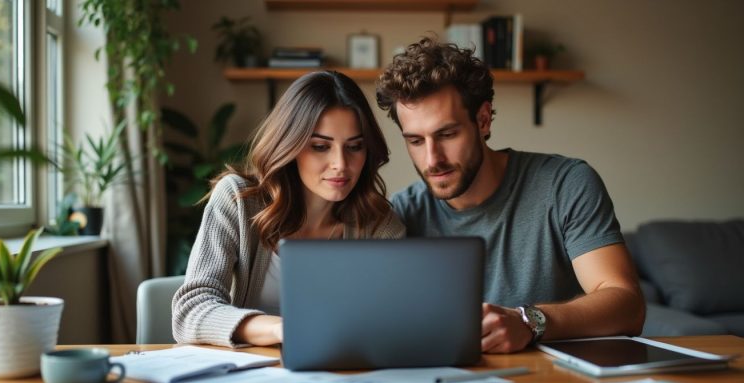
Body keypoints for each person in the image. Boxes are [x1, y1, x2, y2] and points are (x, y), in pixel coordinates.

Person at [375, 37, 644, 354]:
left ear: (483, 119)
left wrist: (530, 322)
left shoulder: (565, 184)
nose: (432, 159)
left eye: (446, 135)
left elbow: (627, 305)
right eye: (416, 141)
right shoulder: (401, 215)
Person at [173, 71, 405, 347]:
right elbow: (190, 311)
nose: (341, 164)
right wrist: (281, 330)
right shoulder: (238, 201)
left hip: (340, 378)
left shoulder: (379, 225)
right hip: (248, 379)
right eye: (321, 146)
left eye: (354, 147)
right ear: (290, 145)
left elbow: (394, 322)